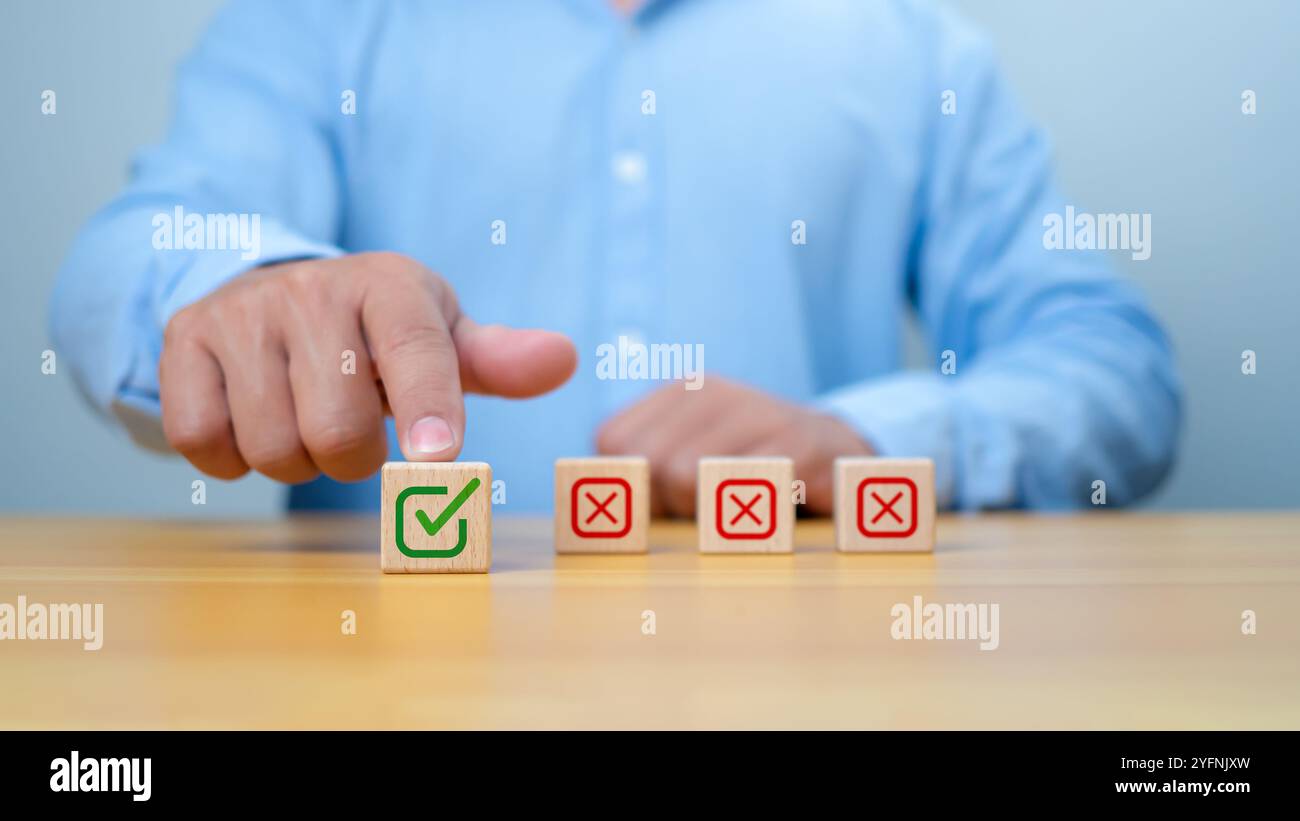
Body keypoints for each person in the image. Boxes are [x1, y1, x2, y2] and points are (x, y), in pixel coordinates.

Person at [50, 0, 1182, 516]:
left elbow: (1109, 367)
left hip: (814, 681)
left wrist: (869, 441)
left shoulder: (911, 45)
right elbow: (134, 251)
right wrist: (243, 293)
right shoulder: (317, 23)